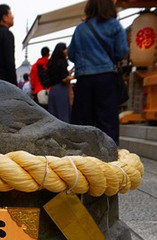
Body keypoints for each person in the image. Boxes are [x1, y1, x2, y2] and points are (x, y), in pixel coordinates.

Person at [68, 0, 128, 144]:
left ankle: (81, 157)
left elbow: (71, 55)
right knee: (108, 122)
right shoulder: (114, 25)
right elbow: (122, 51)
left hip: (84, 79)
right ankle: (109, 158)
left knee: (82, 122)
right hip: (106, 77)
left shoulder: (80, 29)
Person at [46, 43, 73, 123]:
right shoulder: (62, 62)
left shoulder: (51, 63)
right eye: (65, 49)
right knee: (63, 115)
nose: (66, 51)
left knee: (54, 116)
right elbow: (64, 79)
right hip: (61, 90)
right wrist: (74, 77)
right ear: (62, 51)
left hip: (53, 90)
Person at [0, 4, 16, 85]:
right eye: (10, 14)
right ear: (4, 17)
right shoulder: (7, 34)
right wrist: (14, 83)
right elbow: (9, 61)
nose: (13, 17)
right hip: (4, 81)